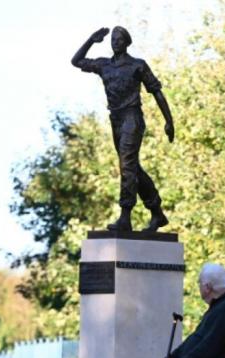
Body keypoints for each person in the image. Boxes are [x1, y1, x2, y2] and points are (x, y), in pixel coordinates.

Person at [71, 26, 174, 232]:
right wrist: (91, 39)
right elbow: (76, 61)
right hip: (116, 119)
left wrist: (169, 121)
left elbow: (156, 92)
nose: (115, 42)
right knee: (132, 167)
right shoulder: (104, 65)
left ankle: (125, 216)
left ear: (127, 42)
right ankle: (157, 213)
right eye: (113, 39)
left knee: (127, 166)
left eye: (119, 39)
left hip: (132, 117)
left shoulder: (137, 65)